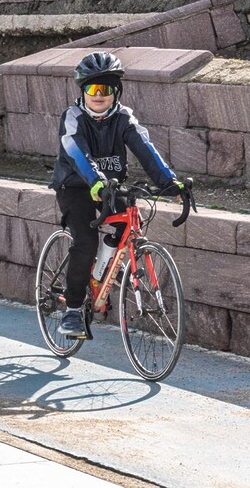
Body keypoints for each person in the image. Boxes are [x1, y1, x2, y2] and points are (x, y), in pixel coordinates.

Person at [50, 51, 184, 337]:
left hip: (111, 186)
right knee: (85, 241)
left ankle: (102, 275)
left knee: (127, 227)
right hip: (75, 185)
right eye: (92, 89)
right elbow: (76, 151)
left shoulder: (124, 117)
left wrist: (169, 181)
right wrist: (95, 181)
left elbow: (145, 148)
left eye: (105, 89)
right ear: (83, 91)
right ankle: (73, 309)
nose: (98, 96)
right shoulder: (72, 117)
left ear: (116, 92)